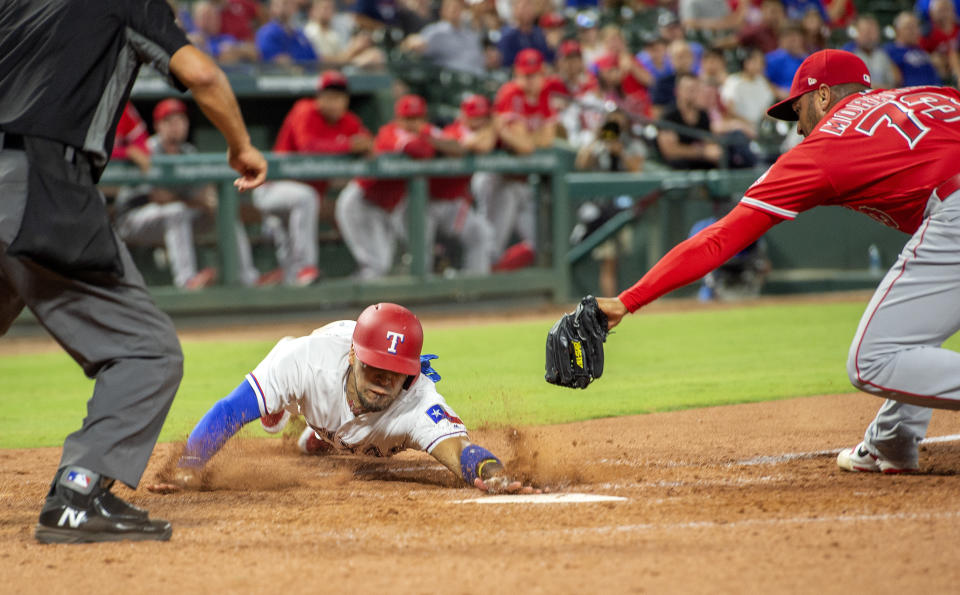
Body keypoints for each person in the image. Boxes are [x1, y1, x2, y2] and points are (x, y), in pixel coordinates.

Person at [591, 49, 960, 475]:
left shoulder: (826, 146)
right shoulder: (931, 93)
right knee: (909, 330)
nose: (800, 127)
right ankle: (890, 443)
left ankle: (889, 443)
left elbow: (719, 238)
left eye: (799, 110)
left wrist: (628, 299)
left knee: (870, 361)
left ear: (822, 97)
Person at [0, 0, 267, 544]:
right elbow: (201, 72)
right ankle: (79, 495)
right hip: (38, 181)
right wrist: (241, 147)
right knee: (147, 353)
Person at [145, 303, 538, 495]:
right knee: (275, 400)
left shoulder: (418, 401)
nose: (384, 381)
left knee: (352, 437)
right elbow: (231, 409)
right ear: (354, 357)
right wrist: (188, 465)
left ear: (411, 371)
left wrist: (492, 474)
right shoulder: (304, 361)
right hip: (312, 382)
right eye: (374, 368)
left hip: (351, 420)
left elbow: (460, 450)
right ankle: (287, 413)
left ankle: (318, 438)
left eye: (395, 372)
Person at [115, 98, 260, 290]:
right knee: (177, 211)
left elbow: (203, 192)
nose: (177, 126)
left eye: (181, 120)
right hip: (133, 220)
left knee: (223, 214)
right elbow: (158, 197)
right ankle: (186, 281)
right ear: (158, 125)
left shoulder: (188, 152)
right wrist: (194, 200)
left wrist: (209, 203)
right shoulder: (147, 150)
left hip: (174, 219)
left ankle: (248, 277)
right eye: (170, 121)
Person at [335, 94, 463, 279]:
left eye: (417, 118)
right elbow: (420, 151)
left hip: (387, 207)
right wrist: (431, 141)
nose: (412, 123)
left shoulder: (426, 131)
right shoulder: (390, 133)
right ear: (397, 119)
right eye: (407, 119)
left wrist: (428, 137)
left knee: (383, 265)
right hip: (362, 202)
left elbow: (457, 149)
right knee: (376, 266)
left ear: (424, 118)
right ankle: (344, 302)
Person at [474, 48, 557, 269]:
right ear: (516, 73)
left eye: (534, 74)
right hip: (497, 179)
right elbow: (525, 146)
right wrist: (528, 138)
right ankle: (484, 291)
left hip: (522, 182)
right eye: (525, 75)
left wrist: (526, 138)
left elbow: (547, 140)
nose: (529, 80)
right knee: (491, 246)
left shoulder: (545, 93)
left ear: (543, 73)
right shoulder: (510, 93)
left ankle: (499, 277)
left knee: (540, 243)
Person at [427, 95, 496, 275]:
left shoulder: (482, 132)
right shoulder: (453, 132)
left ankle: (476, 287)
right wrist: (492, 130)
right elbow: (482, 145)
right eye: (474, 116)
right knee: (423, 251)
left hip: (453, 201)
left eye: (483, 117)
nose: (478, 121)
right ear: (463, 116)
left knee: (480, 233)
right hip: (425, 201)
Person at [656, 73, 724, 170]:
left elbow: (710, 142)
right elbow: (670, 151)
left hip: (703, 166)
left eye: (696, 89)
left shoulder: (703, 115)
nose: (692, 93)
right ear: (678, 91)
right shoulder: (668, 116)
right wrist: (701, 152)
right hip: (678, 169)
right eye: (689, 89)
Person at [842, 14, 900, 90]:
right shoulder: (848, 53)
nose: (869, 36)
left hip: (883, 96)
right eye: (866, 31)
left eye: (873, 31)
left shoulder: (883, 53)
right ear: (856, 32)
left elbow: (896, 81)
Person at [884, 11, 941, 87]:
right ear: (897, 30)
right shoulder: (889, 50)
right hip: (910, 94)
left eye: (916, 27)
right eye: (909, 27)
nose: (914, 31)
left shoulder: (921, 50)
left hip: (936, 91)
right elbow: (895, 80)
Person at [256, 0, 318, 65]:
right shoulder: (266, 32)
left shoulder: (300, 34)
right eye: (278, 4)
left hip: (309, 73)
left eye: (287, 3)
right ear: (272, 8)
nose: (282, 8)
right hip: (278, 74)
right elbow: (274, 60)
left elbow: (314, 58)